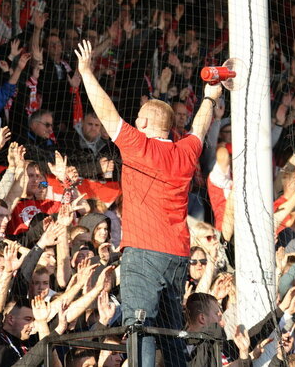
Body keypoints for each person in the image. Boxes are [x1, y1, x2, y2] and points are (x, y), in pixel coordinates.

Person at [74, 39, 222, 366]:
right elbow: (199, 125)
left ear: (142, 124)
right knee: (170, 330)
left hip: (143, 252)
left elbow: (106, 111)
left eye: (138, 117)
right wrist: (210, 95)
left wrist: (86, 72)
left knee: (139, 328)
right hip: (178, 255)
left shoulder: (137, 145)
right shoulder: (185, 151)